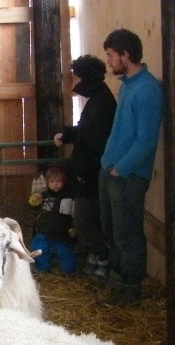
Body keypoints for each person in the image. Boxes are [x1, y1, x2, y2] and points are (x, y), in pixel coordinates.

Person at [98, 28, 164, 306]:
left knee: (128, 235)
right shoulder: (127, 85)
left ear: (126, 55)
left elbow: (146, 141)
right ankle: (116, 286)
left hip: (127, 176)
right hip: (112, 169)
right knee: (112, 232)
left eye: (112, 56)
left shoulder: (148, 90)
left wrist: (119, 169)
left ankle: (129, 291)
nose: (109, 62)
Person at [53, 54, 116, 280]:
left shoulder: (101, 104)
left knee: (85, 221)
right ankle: (95, 257)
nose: (73, 81)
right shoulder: (97, 100)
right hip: (90, 172)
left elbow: (95, 142)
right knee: (86, 220)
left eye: (76, 76)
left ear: (84, 77)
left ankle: (103, 259)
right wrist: (67, 133)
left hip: (92, 174)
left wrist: (83, 172)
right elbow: (84, 132)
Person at [28, 163, 77, 274]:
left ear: (63, 181)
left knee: (65, 253)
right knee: (40, 250)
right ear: (47, 183)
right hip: (44, 232)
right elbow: (33, 208)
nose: (56, 184)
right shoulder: (43, 195)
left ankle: (68, 272)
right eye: (52, 181)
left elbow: (74, 213)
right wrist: (33, 201)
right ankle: (43, 269)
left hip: (63, 233)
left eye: (59, 181)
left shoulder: (69, 197)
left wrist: (74, 227)